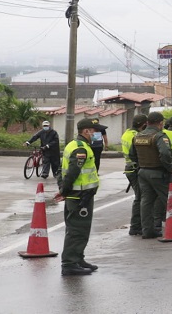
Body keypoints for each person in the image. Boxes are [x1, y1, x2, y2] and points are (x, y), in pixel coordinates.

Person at [55, 118, 100, 276]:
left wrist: (63, 190)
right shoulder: (80, 148)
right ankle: (69, 263)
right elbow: (72, 173)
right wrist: (64, 191)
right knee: (77, 231)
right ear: (86, 131)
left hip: (79, 195)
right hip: (79, 196)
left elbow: (60, 171)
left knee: (80, 229)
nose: (97, 134)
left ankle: (78, 258)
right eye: (95, 131)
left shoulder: (75, 145)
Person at [129, 112, 172, 239]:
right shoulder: (159, 136)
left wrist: (141, 165)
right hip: (158, 172)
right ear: (160, 123)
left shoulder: (138, 136)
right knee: (171, 199)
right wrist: (170, 167)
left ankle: (147, 231)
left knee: (146, 202)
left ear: (147, 122)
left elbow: (132, 154)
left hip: (143, 173)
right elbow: (165, 153)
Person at [121, 114, 147, 236]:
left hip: (130, 169)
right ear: (143, 124)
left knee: (140, 197)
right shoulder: (137, 136)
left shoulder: (126, 133)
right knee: (140, 198)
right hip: (135, 169)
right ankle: (136, 226)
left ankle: (138, 225)